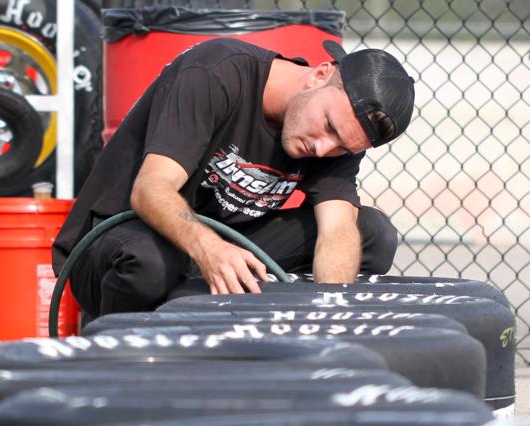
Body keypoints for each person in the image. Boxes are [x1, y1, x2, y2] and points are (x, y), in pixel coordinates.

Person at [52, 37, 416, 318]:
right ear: (320, 75)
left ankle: (265, 335)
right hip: (119, 245)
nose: (323, 149)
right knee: (150, 261)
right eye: (329, 126)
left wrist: (329, 316)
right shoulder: (216, 72)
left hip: (219, 252)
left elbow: (337, 230)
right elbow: (150, 189)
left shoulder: (340, 138)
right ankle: (121, 359)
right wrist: (210, 249)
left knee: (372, 233)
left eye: (342, 147)